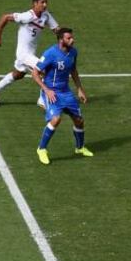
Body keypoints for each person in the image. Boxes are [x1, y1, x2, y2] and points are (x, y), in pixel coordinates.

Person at [0, 0, 59, 109]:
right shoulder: (27, 16)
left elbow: (56, 29)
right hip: (23, 55)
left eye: (46, 2)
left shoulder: (46, 15)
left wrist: (64, 40)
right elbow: (5, 17)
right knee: (45, 70)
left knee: (19, 74)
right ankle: (42, 99)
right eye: (42, 2)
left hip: (30, 54)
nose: (45, 5)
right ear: (35, 3)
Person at [32, 27, 91, 165]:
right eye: (69, 38)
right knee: (56, 119)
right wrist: (46, 90)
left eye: (72, 37)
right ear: (61, 40)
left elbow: (73, 70)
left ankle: (80, 148)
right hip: (52, 92)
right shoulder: (50, 53)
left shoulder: (73, 52)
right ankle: (41, 149)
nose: (72, 40)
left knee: (79, 120)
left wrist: (80, 89)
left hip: (66, 92)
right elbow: (35, 73)